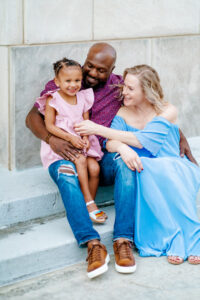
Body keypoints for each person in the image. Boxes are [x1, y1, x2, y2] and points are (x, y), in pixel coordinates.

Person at [26, 43, 197, 278]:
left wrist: (178, 134)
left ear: (112, 70)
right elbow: (31, 117)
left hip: (100, 155)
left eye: (101, 70)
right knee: (66, 174)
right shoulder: (64, 81)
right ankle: (92, 244)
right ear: (84, 62)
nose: (93, 73)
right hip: (65, 152)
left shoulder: (120, 86)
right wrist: (51, 139)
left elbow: (151, 106)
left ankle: (123, 240)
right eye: (90, 66)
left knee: (125, 163)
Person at [75, 64, 200, 265]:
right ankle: (172, 237)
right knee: (143, 167)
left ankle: (194, 239)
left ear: (147, 90)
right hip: (144, 168)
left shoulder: (167, 110)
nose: (124, 91)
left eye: (131, 88)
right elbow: (111, 143)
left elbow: (145, 142)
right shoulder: (123, 113)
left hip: (174, 167)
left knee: (156, 167)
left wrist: (98, 128)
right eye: (124, 86)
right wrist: (123, 149)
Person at [36, 57, 107, 223]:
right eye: (67, 80)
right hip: (64, 142)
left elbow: (85, 121)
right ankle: (89, 205)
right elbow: (50, 126)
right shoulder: (53, 99)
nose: (73, 84)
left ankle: (87, 202)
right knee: (81, 160)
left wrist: (85, 138)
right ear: (57, 81)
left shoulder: (83, 97)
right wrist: (69, 137)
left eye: (77, 80)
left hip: (81, 142)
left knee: (95, 168)